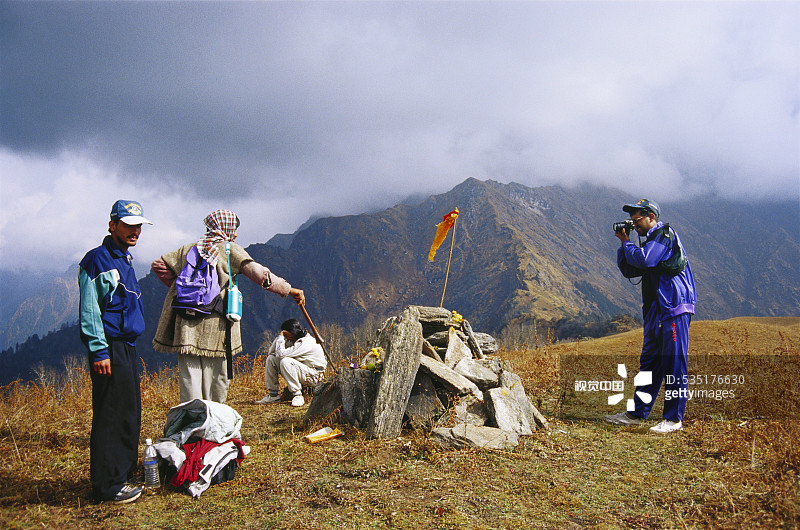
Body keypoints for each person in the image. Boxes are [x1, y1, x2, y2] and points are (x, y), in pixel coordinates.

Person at [151, 209, 305, 404]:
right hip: (216, 325)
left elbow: (159, 264)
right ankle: (214, 419)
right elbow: (260, 275)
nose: (236, 233)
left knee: (190, 375)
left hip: (186, 324)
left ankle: (191, 421)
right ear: (226, 228)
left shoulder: (188, 249)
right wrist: (289, 289)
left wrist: (184, 289)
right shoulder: (229, 250)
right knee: (217, 375)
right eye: (234, 228)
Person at [78, 200, 152, 504]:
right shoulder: (97, 260)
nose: (134, 231)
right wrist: (99, 351)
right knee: (111, 413)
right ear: (113, 225)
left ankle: (122, 472)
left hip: (127, 346)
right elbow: (90, 310)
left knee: (128, 412)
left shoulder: (125, 258)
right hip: (109, 346)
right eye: (128, 225)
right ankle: (108, 485)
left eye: (138, 226)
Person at [605, 199, 697, 434]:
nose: (634, 225)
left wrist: (628, 242)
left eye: (637, 220)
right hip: (656, 309)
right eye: (632, 221)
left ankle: (673, 419)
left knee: (674, 362)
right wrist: (623, 244)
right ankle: (637, 413)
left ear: (652, 218)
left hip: (673, 307)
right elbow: (630, 269)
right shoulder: (648, 243)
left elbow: (645, 260)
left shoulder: (664, 236)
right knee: (650, 362)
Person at [257, 318, 327, 407]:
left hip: (315, 375)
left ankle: (297, 395)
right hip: (305, 371)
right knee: (271, 359)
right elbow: (271, 353)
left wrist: (281, 337)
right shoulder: (295, 340)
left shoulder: (306, 342)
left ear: (292, 333)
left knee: (285, 361)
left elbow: (280, 354)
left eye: (286, 333)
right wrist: (280, 337)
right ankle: (273, 395)